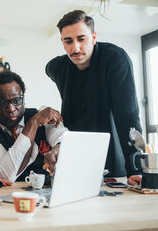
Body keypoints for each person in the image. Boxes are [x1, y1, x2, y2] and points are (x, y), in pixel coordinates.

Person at [45, 10, 142, 178]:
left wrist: (138, 170)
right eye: (68, 41)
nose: (75, 48)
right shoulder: (57, 67)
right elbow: (49, 68)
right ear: (62, 42)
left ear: (94, 37)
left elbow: (128, 117)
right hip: (76, 156)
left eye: (81, 39)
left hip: (112, 156)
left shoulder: (115, 59)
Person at [0, 71, 68, 182]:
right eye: (2, 102)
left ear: (23, 99)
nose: (11, 108)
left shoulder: (42, 115)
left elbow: (64, 139)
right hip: (4, 194)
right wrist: (33, 123)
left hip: (44, 191)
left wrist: (58, 148)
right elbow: (6, 175)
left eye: (17, 100)